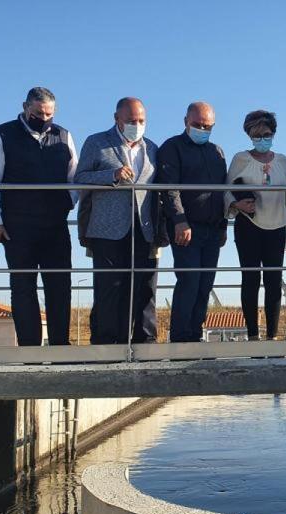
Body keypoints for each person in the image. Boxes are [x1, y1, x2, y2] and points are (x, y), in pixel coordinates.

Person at [0, 87, 77, 347]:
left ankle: (60, 347)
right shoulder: (1, 134)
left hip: (55, 225)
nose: (44, 119)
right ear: (25, 107)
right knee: (23, 286)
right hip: (17, 224)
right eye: (38, 113)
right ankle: (29, 348)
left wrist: (68, 202)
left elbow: (74, 178)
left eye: (49, 114)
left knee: (60, 286)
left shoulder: (64, 135)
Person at [75, 97, 166, 344]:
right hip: (107, 229)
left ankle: (139, 343)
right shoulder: (96, 142)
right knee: (109, 288)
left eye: (141, 120)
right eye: (131, 121)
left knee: (142, 288)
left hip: (143, 229)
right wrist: (111, 175)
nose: (137, 125)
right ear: (117, 119)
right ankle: (105, 343)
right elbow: (80, 179)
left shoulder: (152, 148)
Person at [158, 102, 227, 343]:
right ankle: (180, 339)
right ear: (185, 121)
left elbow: (223, 190)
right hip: (186, 228)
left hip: (213, 229)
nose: (202, 129)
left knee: (205, 285)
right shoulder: (172, 148)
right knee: (189, 281)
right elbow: (170, 188)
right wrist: (179, 220)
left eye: (207, 126)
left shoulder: (217, 152)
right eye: (197, 124)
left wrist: (223, 226)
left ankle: (195, 336)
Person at [225, 110, 286, 341]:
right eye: (256, 135)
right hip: (248, 225)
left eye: (266, 134)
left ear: (273, 133)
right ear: (249, 135)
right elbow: (225, 190)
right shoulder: (240, 159)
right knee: (250, 280)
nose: (261, 139)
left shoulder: (283, 161)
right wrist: (236, 204)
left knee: (274, 282)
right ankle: (253, 335)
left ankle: (272, 336)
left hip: (277, 226)